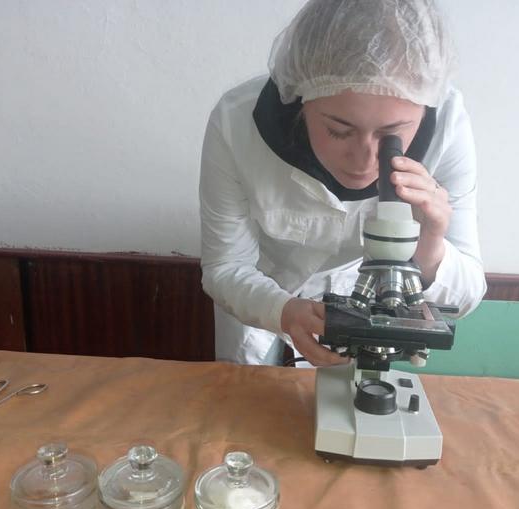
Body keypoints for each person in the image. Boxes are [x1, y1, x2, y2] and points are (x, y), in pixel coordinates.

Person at [199, 0, 486, 366]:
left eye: (391, 135)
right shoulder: (236, 123)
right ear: (301, 101)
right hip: (257, 300)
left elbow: (467, 295)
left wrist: (430, 245)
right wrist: (281, 311)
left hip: (366, 304)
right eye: (338, 130)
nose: (364, 160)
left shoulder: (448, 127)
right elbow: (225, 266)